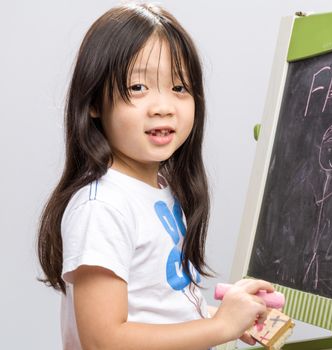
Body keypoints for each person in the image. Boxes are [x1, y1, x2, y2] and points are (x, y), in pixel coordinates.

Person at [37, 3, 272, 349]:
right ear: (94, 102)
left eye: (179, 87)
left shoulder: (159, 189)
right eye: (137, 88)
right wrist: (219, 327)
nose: (163, 106)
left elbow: (161, 313)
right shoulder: (102, 207)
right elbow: (105, 340)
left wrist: (228, 317)